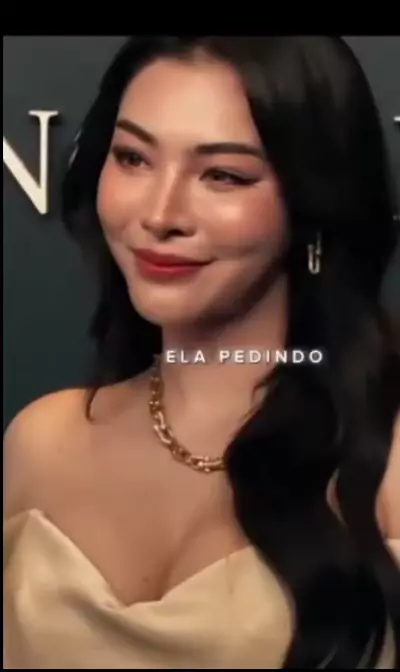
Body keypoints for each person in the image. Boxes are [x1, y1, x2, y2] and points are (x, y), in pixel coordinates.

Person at [3, 36, 400, 670]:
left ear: (313, 203)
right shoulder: (42, 442)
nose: (160, 214)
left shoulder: (389, 469)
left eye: (223, 175)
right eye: (133, 158)